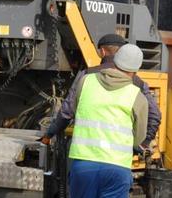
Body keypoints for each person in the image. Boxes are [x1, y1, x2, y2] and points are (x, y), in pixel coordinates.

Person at [41, 44, 148, 197]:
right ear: (135, 70)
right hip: (117, 168)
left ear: (115, 60)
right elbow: (139, 138)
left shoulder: (85, 81)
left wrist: (50, 133)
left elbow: (72, 111)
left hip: (84, 165)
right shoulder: (138, 96)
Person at [85, 34, 161, 151]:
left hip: (87, 154)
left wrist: (50, 134)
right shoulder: (138, 84)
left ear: (102, 52)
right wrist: (144, 143)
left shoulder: (87, 76)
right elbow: (155, 114)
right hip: (120, 158)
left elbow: (68, 109)